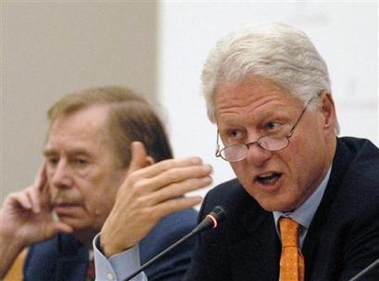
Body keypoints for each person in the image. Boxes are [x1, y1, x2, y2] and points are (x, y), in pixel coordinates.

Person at [94, 23, 379, 280]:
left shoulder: (372, 200)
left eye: (271, 127)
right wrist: (118, 252)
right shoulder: (227, 212)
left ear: (325, 113)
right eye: (234, 134)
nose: (254, 155)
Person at [0, 86, 213, 280]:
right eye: (54, 160)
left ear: (141, 171)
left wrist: (116, 251)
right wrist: (7, 240)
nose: (57, 179)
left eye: (80, 161)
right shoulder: (52, 246)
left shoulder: (182, 239)